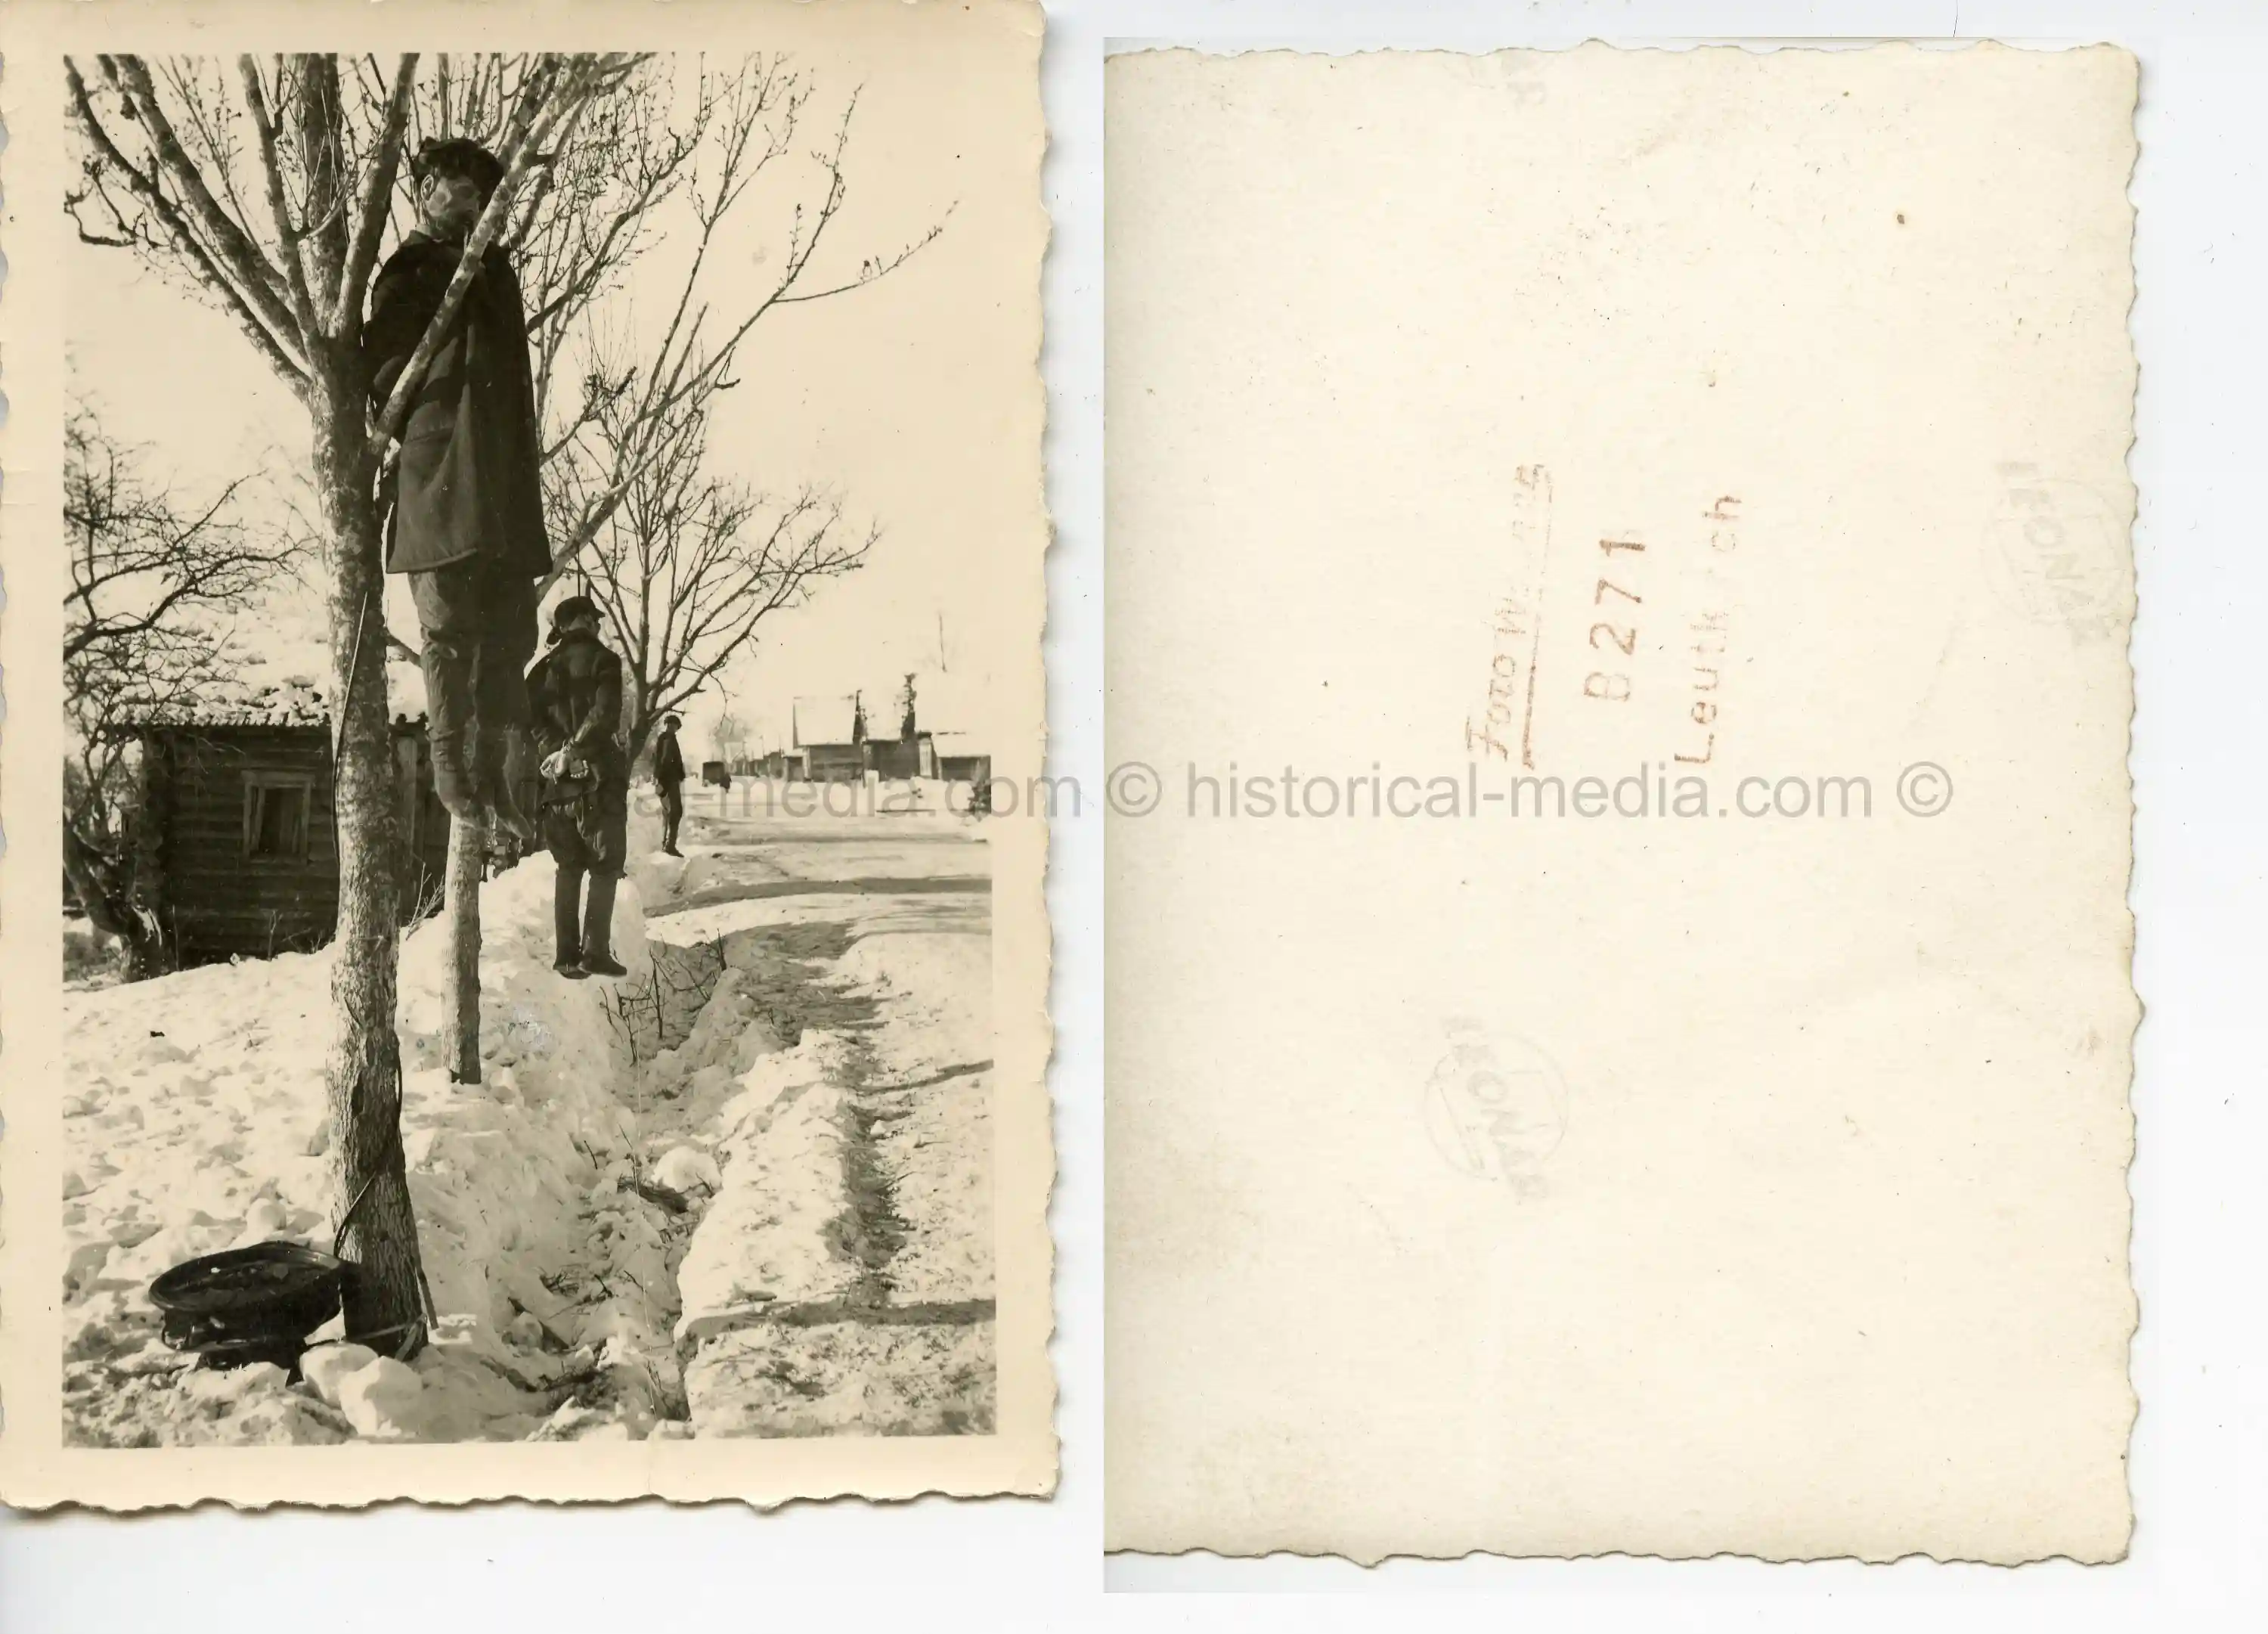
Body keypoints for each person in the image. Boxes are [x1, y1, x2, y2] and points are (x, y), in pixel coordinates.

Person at [363, 138, 549, 846]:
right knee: (446, 626)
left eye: (480, 191)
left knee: (510, 630)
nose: (469, 200)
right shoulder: (409, 270)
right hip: (441, 477)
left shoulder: (495, 273)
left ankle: (494, 773)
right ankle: (449, 771)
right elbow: (381, 375)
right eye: (455, 187)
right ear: (424, 192)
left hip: (499, 483)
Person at [528, 596, 630, 979]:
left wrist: (557, 753)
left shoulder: (541, 671)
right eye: (596, 619)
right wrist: (575, 750)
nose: (599, 626)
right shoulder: (606, 661)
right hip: (599, 784)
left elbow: (531, 720)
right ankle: (595, 951)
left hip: (559, 788)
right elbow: (605, 714)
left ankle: (566, 956)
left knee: (568, 867)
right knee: (606, 865)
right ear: (584, 620)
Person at [653, 713, 687, 857]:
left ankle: (666, 844)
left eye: (674, 726)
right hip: (668, 781)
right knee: (675, 811)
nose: (673, 728)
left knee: (668, 812)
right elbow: (666, 760)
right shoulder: (669, 739)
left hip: (665, 780)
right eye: (671, 725)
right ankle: (669, 845)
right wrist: (665, 780)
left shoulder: (663, 738)